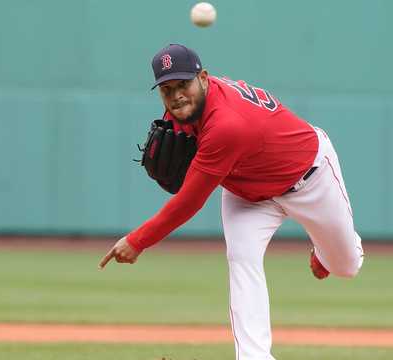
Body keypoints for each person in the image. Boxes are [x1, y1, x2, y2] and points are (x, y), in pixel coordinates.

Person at [99, 43, 365, 360]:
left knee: (345, 266)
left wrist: (138, 240)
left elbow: (189, 203)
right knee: (242, 258)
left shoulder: (227, 124)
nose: (176, 96)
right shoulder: (179, 111)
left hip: (310, 178)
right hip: (248, 193)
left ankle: (325, 250)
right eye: (166, 89)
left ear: (205, 78)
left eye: (183, 84)